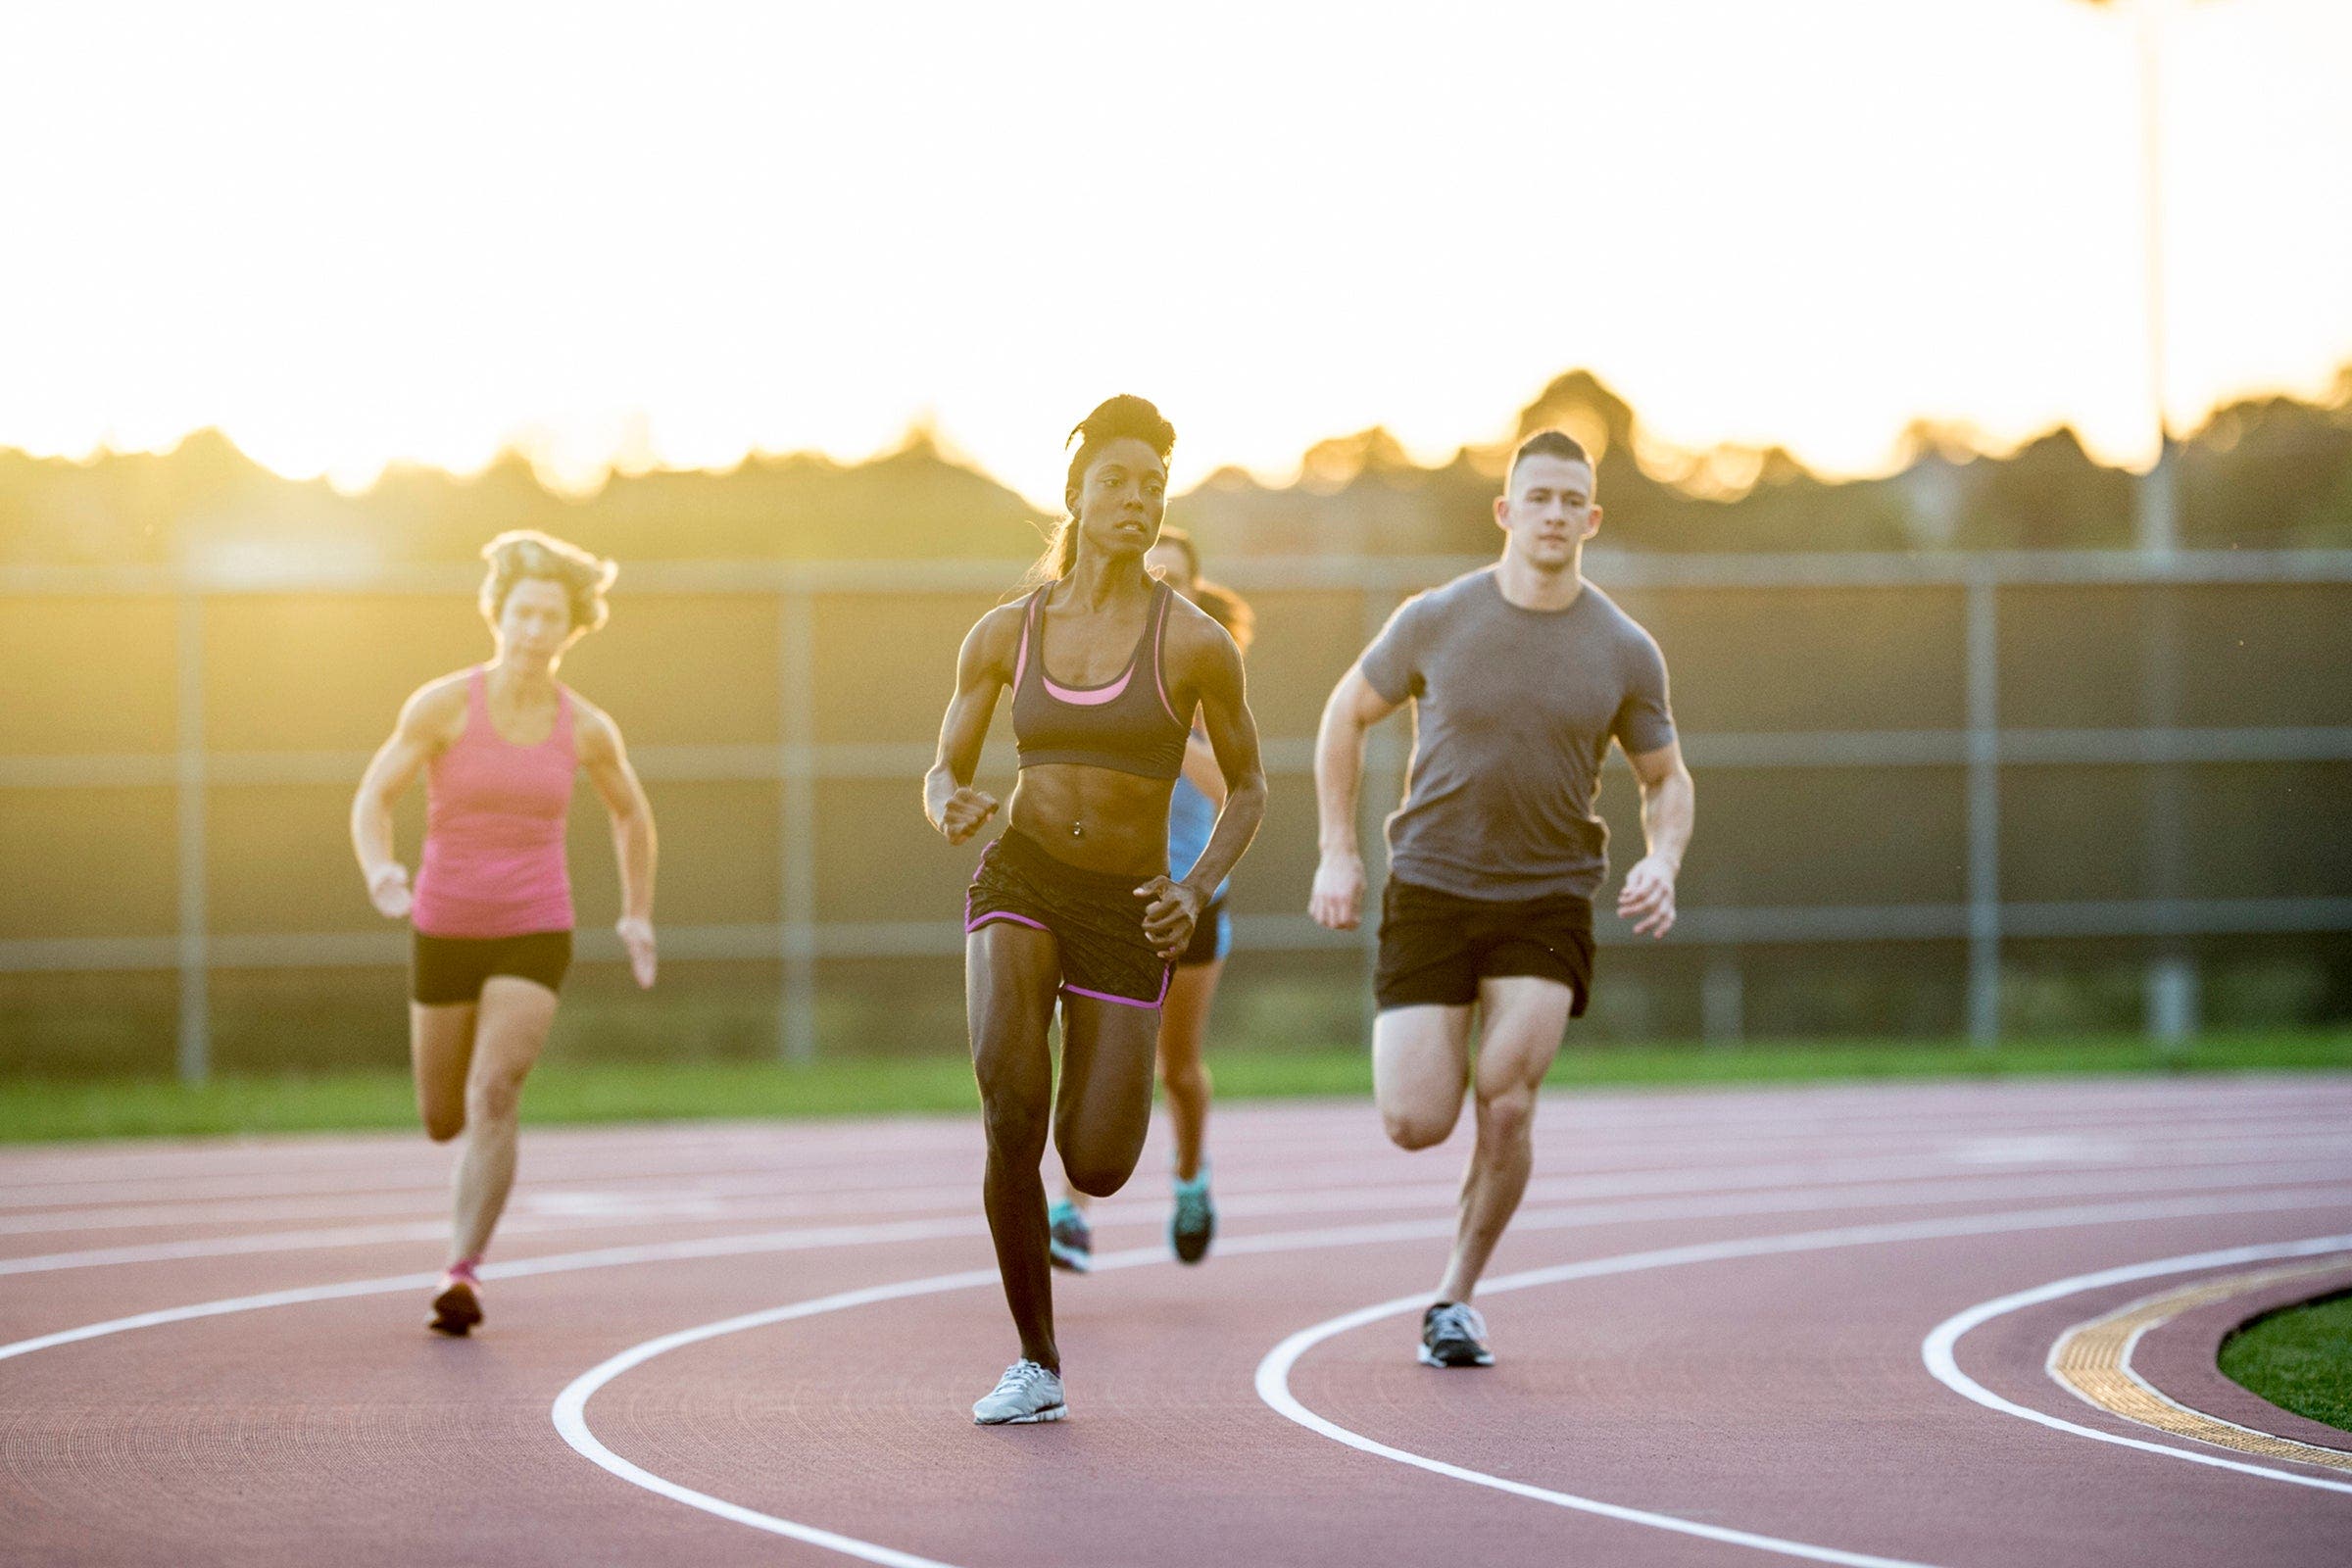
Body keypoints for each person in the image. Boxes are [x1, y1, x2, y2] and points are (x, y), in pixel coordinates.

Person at [1309, 430, 1692, 1369]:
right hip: (1432, 887)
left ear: (1591, 519)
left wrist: (1663, 859)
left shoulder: (1623, 648)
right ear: (1506, 511)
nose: (1556, 514)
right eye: (1541, 497)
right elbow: (1341, 716)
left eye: (1573, 500)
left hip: (1547, 899)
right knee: (1416, 1122)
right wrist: (1335, 853)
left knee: (1508, 1104)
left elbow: (1665, 777)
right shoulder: (1435, 619)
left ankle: (1455, 1296)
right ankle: (1451, 1265)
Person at [925, 397, 1266, 1424]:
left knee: (1100, 1163)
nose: (1136, 498)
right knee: (1007, 1109)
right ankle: (1036, 1361)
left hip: (1127, 907)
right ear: (1075, 495)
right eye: (1117, 481)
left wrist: (1194, 885)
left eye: (1153, 486)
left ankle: (1092, 1053)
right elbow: (944, 765)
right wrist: (948, 801)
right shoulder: (1005, 631)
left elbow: (1250, 788)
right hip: (1023, 875)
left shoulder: (1197, 643)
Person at [350, 529, 658, 1336]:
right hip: (444, 925)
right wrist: (381, 868)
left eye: (549, 617)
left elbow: (631, 814)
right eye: (521, 614)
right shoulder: (444, 704)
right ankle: (462, 1247)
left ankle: (462, 1274)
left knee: (495, 1094)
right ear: (497, 614)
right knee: (442, 1116)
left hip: (535, 925)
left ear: (571, 627)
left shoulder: (586, 726)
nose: (532, 631)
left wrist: (636, 911)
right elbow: (374, 796)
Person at [1047, 526, 1255, 1273]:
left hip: (1190, 901)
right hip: (1104, 897)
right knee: (1094, 1062)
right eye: (1151, 572)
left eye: (1177, 578)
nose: (1161, 585)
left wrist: (1167, 733)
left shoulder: (1208, 676)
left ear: (1196, 594)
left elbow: (1235, 788)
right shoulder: (1090, 661)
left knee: (1176, 1070)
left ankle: (1192, 1181)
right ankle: (1070, 1212)